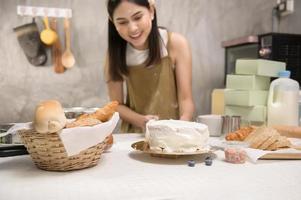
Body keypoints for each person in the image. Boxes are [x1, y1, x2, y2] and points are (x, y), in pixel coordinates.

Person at [105, 0, 195, 133]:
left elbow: (185, 99)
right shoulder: (115, 54)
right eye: (122, 22)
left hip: (174, 130)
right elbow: (116, 105)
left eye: (137, 17)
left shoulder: (175, 43)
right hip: (134, 136)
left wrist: (182, 125)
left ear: (151, 11)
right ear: (113, 22)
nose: (132, 28)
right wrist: (141, 120)